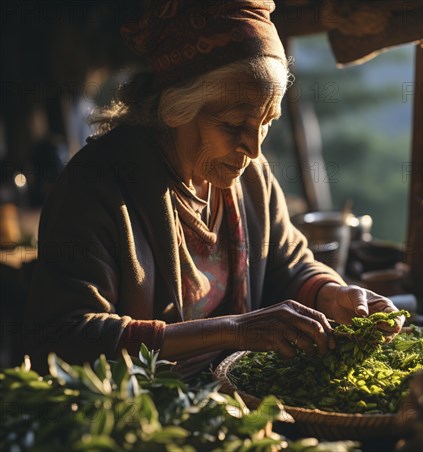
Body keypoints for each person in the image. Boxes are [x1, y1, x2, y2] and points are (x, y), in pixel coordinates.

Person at [25, 0, 402, 376]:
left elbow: (288, 265)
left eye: (267, 121)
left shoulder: (251, 177)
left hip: (238, 398)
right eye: (234, 124)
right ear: (176, 109)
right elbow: (67, 335)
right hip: (144, 411)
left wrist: (333, 296)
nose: (253, 148)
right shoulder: (97, 187)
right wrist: (233, 331)